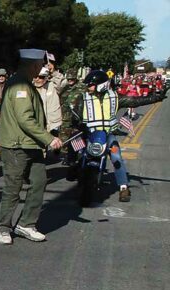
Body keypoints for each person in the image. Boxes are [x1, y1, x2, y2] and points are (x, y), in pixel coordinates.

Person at [0, 49, 63, 245]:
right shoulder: (20, 86)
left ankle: (26, 224)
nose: (42, 68)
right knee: (13, 187)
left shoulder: (25, 84)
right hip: (17, 145)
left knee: (39, 181)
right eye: (40, 65)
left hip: (30, 144)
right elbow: (25, 118)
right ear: (32, 65)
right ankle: (4, 227)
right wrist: (48, 139)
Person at [69, 70, 165, 202]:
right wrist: (76, 123)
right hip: (89, 134)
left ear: (101, 85)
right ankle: (75, 168)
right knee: (78, 150)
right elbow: (76, 114)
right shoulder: (83, 98)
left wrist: (156, 98)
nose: (88, 87)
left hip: (108, 135)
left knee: (116, 157)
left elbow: (135, 101)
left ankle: (124, 187)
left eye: (91, 85)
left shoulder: (114, 97)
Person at [59, 69, 86, 170]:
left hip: (77, 117)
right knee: (64, 138)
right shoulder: (65, 88)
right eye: (68, 78)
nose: (70, 80)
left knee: (76, 137)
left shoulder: (83, 87)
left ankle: (76, 157)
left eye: (71, 78)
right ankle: (67, 156)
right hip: (65, 116)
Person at [33, 67, 62, 136]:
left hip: (53, 125)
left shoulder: (52, 86)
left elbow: (61, 81)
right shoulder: (30, 88)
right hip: (37, 125)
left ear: (46, 78)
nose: (37, 79)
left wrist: (53, 71)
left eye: (41, 77)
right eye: (35, 77)